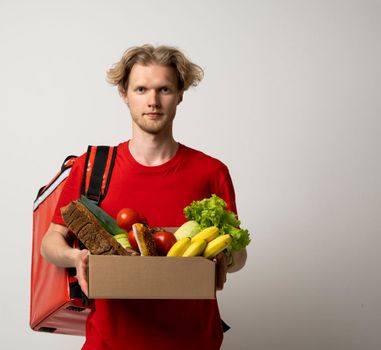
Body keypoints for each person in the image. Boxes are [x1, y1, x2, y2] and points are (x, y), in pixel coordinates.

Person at [41, 44, 247, 350]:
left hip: (192, 342)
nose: (153, 101)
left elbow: (239, 254)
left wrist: (224, 258)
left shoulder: (211, 171)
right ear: (125, 94)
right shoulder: (91, 167)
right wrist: (77, 257)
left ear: (180, 95)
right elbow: (50, 242)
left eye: (164, 89)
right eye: (141, 89)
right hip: (108, 343)